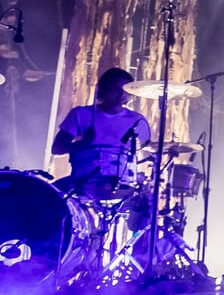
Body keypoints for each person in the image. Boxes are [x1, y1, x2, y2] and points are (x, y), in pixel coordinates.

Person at [51, 67, 152, 201]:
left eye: (126, 90)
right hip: (83, 181)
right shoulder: (81, 114)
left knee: (147, 201)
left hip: (122, 182)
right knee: (48, 199)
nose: (121, 94)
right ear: (104, 88)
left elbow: (149, 150)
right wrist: (82, 143)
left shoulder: (136, 120)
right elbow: (57, 148)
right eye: (116, 89)